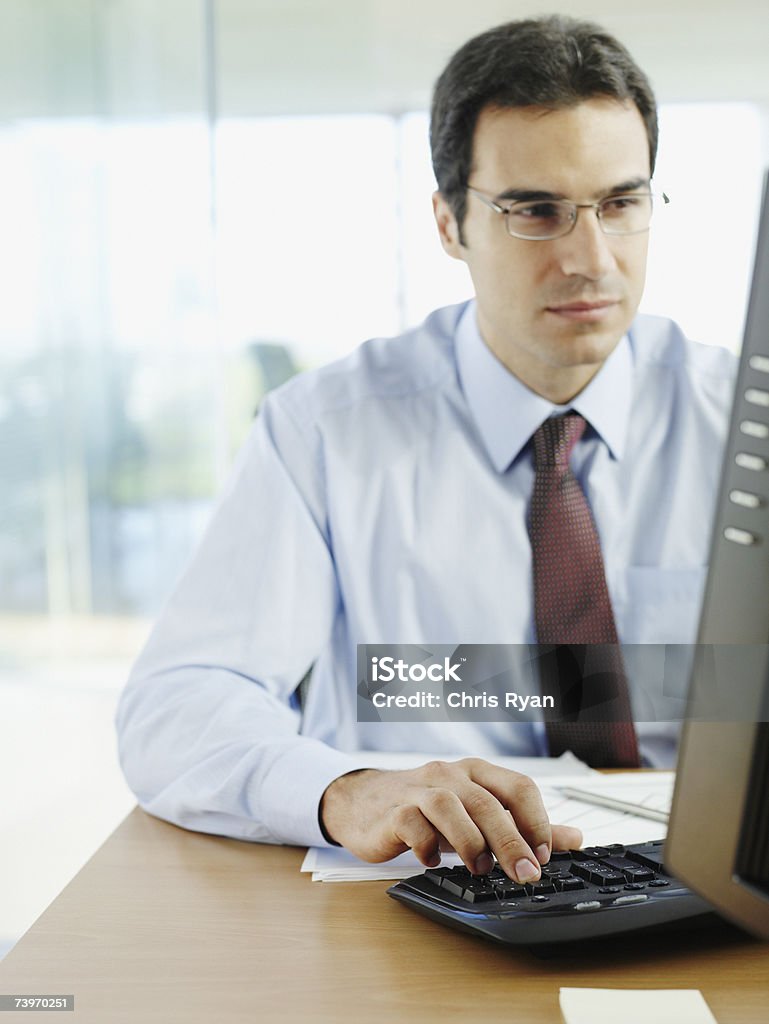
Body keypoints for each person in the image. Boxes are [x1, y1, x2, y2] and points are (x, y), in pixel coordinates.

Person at [116, 15, 735, 887]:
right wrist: (344, 788)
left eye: (620, 203)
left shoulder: (744, 420)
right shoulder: (324, 431)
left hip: (697, 894)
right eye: (534, 211)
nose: (589, 258)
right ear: (449, 224)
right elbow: (175, 704)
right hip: (420, 898)